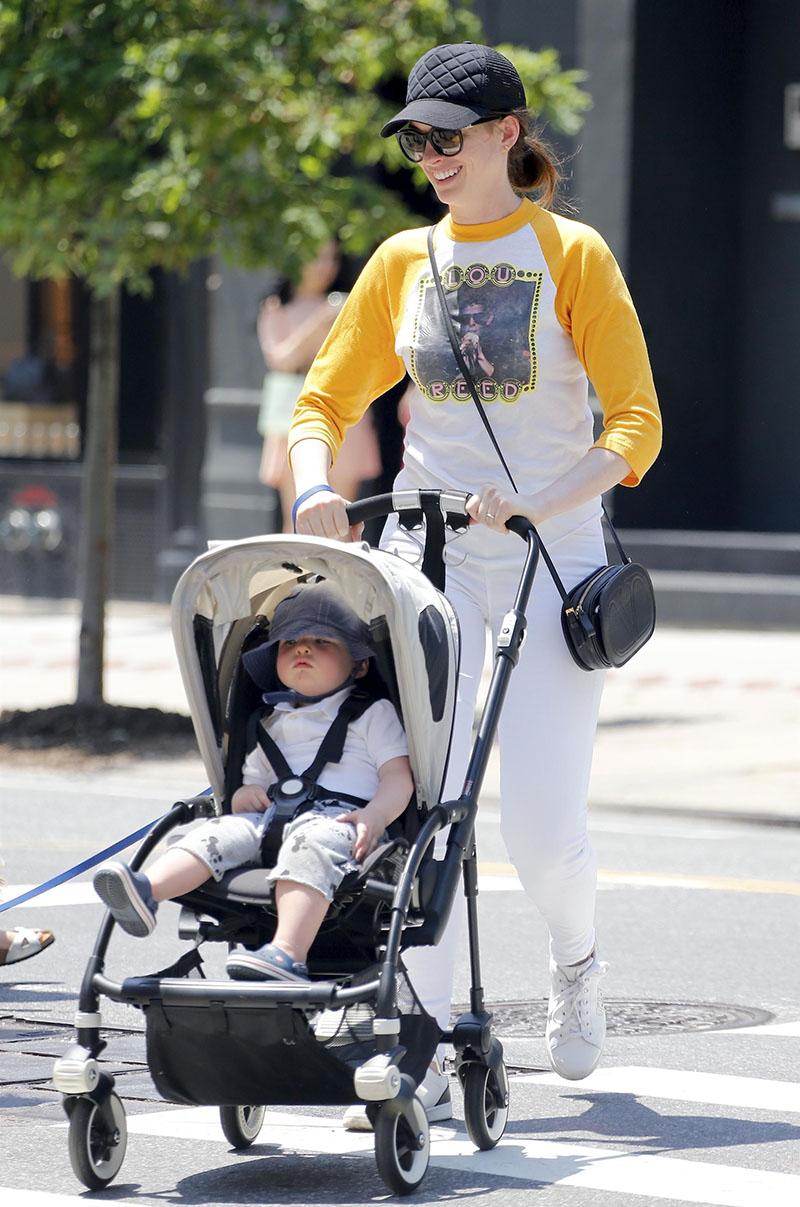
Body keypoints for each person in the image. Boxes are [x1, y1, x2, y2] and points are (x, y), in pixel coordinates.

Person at [286, 40, 662, 1115]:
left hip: (553, 565)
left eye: (447, 137)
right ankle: (428, 1036)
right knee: (424, 809)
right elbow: (321, 402)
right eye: (415, 139)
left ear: (506, 134)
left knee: (539, 825)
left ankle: (576, 963)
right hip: (429, 567)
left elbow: (635, 423)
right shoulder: (403, 260)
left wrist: (539, 500)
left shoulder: (570, 254)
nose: (429, 157)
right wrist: (315, 481)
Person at [92, 582, 413, 984]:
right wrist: (245, 793)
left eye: (321, 641)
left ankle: (287, 953)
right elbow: (253, 779)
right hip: (269, 817)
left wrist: (376, 815)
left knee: (311, 845)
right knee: (217, 832)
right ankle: (146, 890)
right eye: (289, 642)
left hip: (342, 823)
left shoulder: (372, 713)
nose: (302, 649)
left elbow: (397, 776)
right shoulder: (270, 721)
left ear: (360, 665)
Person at [257, 239, 381, 532]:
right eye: (317, 258)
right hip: (294, 411)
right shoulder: (277, 306)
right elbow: (282, 359)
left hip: (343, 410)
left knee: (342, 517)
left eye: (331, 258)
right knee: (298, 516)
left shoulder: (346, 305)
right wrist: (321, 320)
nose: (325, 267)